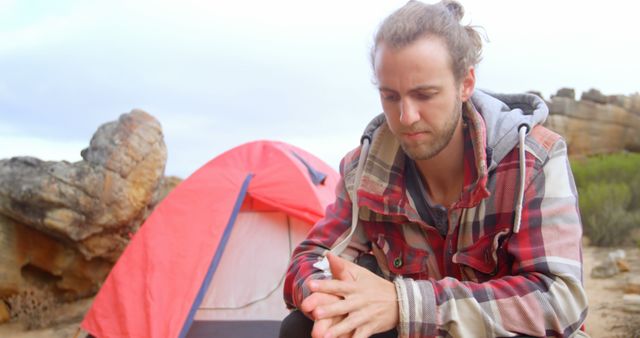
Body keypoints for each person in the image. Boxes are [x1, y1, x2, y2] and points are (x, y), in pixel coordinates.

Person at [281, 1, 588, 337]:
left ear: (465, 83)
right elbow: (310, 258)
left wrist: (405, 303)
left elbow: (560, 302)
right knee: (302, 327)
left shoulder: (533, 160)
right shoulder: (364, 171)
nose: (405, 116)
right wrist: (331, 299)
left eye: (424, 95)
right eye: (391, 97)